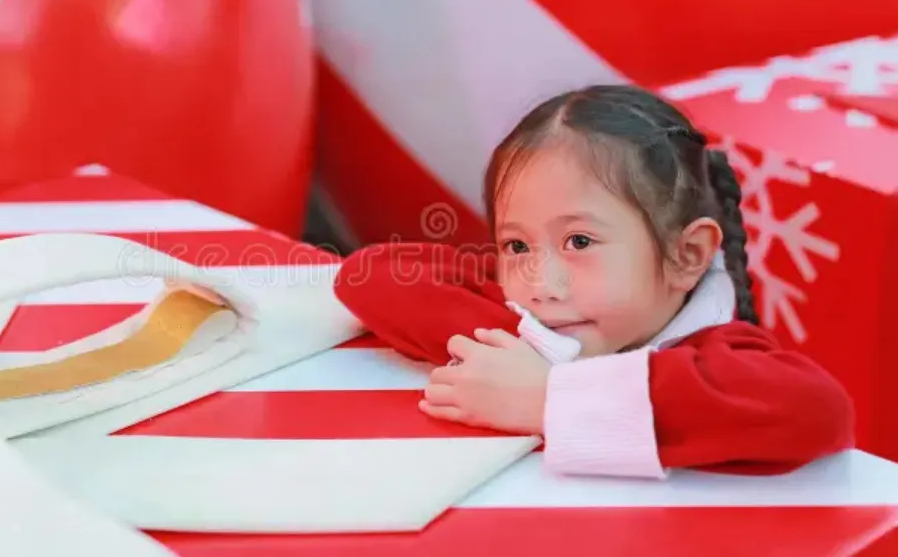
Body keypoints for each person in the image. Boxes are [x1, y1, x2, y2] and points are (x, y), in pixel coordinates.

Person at [333, 85, 854, 478]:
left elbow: (818, 412)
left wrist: (550, 398)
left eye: (579, 242)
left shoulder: (723, 353)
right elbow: (368, 274)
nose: (543, 283)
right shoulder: (536, 315)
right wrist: (526, 349)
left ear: (686, 255)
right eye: (518, 245)